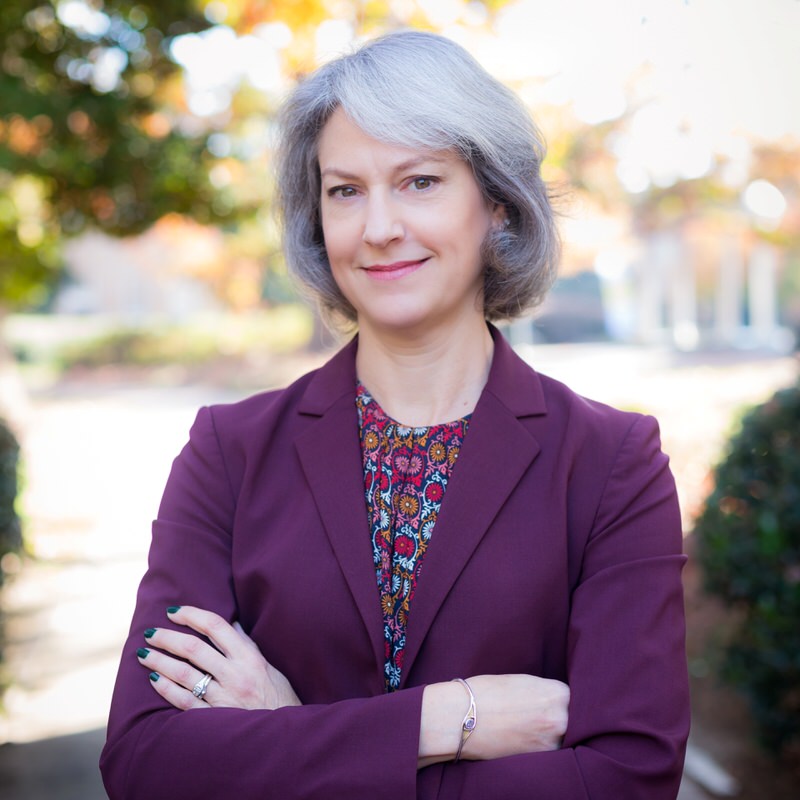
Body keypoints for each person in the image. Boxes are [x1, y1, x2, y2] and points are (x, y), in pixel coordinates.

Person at [100, 30, 689, 799]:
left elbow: (627, 781)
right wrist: (444, 721)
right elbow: (147, 762)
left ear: (499, 208)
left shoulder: (614, 462)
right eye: (345, 190)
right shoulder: (229, 452)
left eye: (419, 182)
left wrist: (288, 730)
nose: (378, 227)